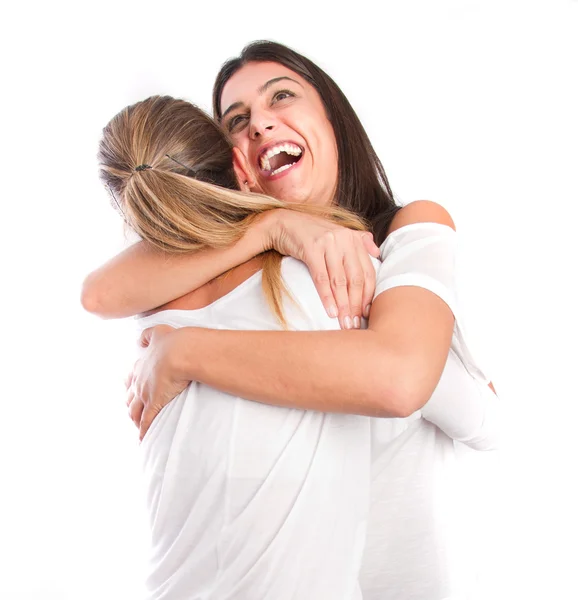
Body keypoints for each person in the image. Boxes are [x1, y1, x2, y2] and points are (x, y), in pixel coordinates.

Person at [88, 41, 501, 600]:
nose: (259, 123)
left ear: (333, 120)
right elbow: (99, 292)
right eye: (237, 121)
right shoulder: (243, 265)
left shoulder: (402, 235)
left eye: (281, 96)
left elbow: (419, 387)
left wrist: (183, 352)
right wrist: (271, 227)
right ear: (234, 164)